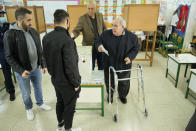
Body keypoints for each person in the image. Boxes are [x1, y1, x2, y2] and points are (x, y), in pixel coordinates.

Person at [3, 7, 51, 121]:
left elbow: (39, 50)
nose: (31, 22)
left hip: (36, 68)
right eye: (28, 20)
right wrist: (20, 70)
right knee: (26, 92)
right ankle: (28, 108)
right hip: (23, 72)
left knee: (38, 87)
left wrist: (43, 64)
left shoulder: (33, 31)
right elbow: (9, 56)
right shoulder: (9, 34)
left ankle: (40, 103)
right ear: (20, 20)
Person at [42, 9, 81, 131]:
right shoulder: (67, 40)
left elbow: (46, 57)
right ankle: (68, 129)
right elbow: (71, 66)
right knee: (69, 106)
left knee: (60, 101)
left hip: (55, 79)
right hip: (67, 82)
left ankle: (60, 124)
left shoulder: (46, 38)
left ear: (54, 22)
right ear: (67, 21)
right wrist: (76, 83)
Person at [96, 17, 140, 104]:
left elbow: (136, 48)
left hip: (124, 64)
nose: (113, 28)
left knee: (124, 82)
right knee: (109, 81)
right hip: (109, 64)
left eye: (116, 26)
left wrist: (130, 57)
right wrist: (99, 46)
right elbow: (98, 41)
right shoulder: (106, 34)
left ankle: (122, 96)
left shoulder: (132, 37)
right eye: (112, 25)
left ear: (123, 27)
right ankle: (110, 95)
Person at [71, 0, 106, 70]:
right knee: (90, 67)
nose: (90, 10)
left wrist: (106, 39)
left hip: (100, 44)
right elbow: (76, 30)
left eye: (92, 9)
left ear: (95, 8)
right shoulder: (83, 18)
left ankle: (101, 80)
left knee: (102, 65)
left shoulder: (100, 15)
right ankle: (91, 80)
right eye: (88, 8)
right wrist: (71, 36)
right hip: (89, 46)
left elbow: (104, 28)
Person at [0, 6, 16, 101]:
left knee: (19, 69)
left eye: (2, 14)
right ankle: (11, 91)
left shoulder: (7, 25)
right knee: (7, 73)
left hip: (12, 51)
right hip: (3, 54)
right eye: (1, 15)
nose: (2, 16)